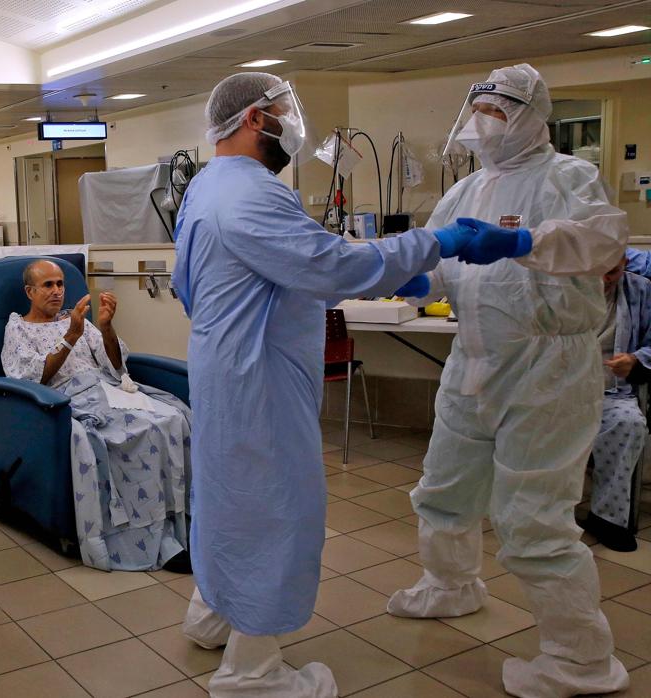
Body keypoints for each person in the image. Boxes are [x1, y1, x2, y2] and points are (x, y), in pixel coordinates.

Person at [170, 72, 526, 696]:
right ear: (256, 119)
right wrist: (433, 244)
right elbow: (332, 263)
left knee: (229, 496)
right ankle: (252, 671)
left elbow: (231, 279)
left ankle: (215, 613)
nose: (293, 123)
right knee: (274, 506)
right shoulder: (254, 193)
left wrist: (382, 273)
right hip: (261, 378)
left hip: (222, 366)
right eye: (285, 110)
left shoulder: (206, 187)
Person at [387, 64, 630, 697]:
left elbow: (604, 244)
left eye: (499, 111)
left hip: (547, 369)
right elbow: (444, 262)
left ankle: (581, 660)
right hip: (473, 361)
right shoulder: (465, 191)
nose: (485, 123)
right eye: (482, 110)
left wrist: (522, 239)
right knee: (444, 488)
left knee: (534, 519)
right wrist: (417, 280)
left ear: (529, 115)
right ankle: (451, 583)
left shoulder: (567, 177)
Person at [1, 259, 190, 571]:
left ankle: (188, 523)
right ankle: (156, 538)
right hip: (69, 399)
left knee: (172, 418)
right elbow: (34, 381)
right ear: (29, 291)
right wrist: (69, 338)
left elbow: (115, 366)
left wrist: (105, 328)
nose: (57, 291)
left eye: (60, 283)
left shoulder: (76, 320)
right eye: (48, 285)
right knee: (128, 437)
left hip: (107, 390)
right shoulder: (18, 329)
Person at [582, 255, 650, 552]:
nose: (603, 281)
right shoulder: (558, 287)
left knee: (629, 423)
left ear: (624, 262)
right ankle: (543, 512)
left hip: (613, 391)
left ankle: (607, 518)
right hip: (558, 392)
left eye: (612, 272)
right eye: (596, 272)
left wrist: (637, 360)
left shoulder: (640, 290)